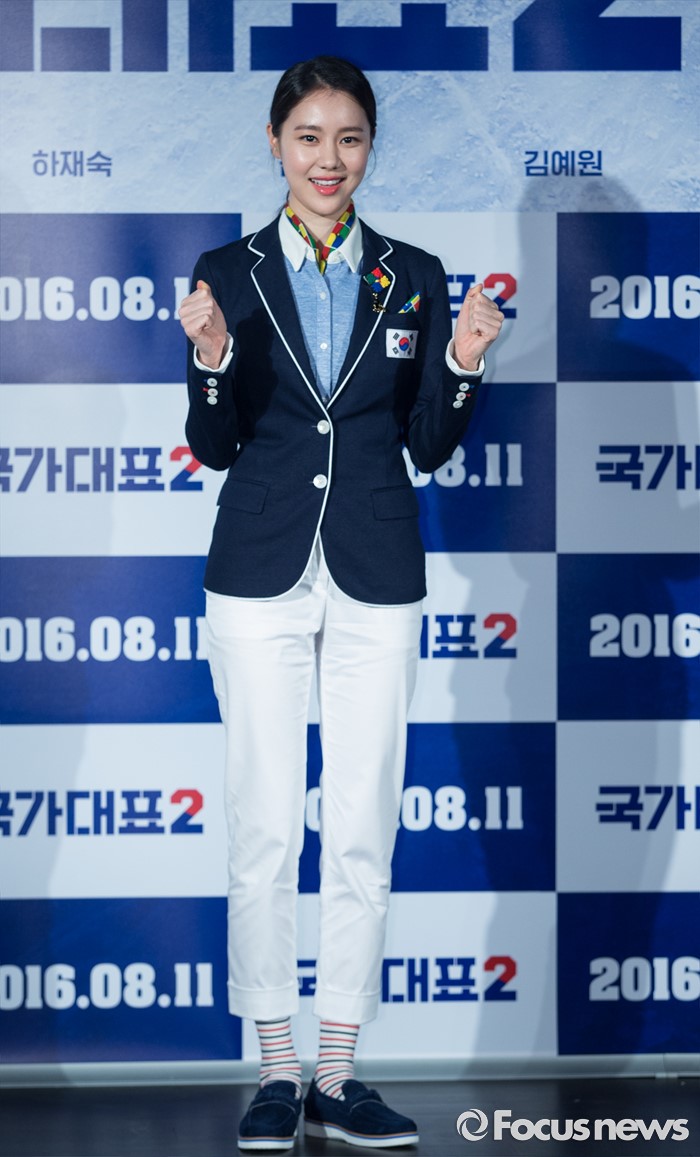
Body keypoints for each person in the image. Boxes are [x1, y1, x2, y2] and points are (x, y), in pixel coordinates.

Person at [178, 55, 503, 1151]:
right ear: (275, 143)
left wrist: (461, 362)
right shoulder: (225, 270)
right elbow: (213, 442)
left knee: (363, 827)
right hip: (258, 570)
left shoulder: (415, 273)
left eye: (349, 138)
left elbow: (428, 443)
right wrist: (212, 358)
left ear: (369, 148)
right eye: (309, 136)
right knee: (265, 825)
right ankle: (277, 1070)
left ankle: (337, 1070)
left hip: (375, 568)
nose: (329, 159)